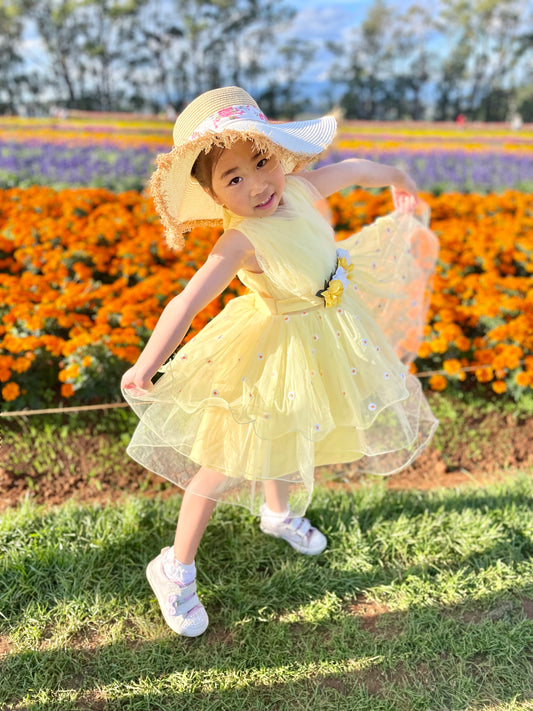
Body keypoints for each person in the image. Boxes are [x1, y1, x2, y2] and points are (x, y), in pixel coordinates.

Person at [121, 86, 439, 638]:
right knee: (223, 460)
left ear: (278, 152)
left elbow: (359, 168)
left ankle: (276, 512)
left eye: (261, 162)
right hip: (269, 347)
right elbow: (187, 302)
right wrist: (147, 364)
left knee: (293, 429)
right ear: (214, 194)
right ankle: (175, 566)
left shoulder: (300, 186)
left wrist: (400, 179)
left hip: (320, 332)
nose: (257, 184)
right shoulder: (240, 241)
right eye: (234, 179)